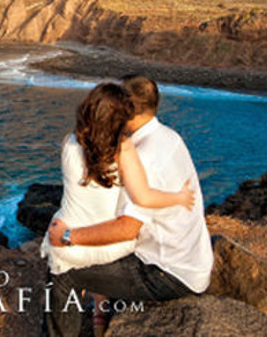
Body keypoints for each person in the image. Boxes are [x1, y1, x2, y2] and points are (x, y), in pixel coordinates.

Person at [45, 75, 214, 337]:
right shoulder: (168, 136)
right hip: (191, 260)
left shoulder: (142, 156)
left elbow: (126, 229)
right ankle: (100, 320)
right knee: (97, 244)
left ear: (127, 109)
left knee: (65, 272)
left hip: (164, 272)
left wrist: (67, 236)